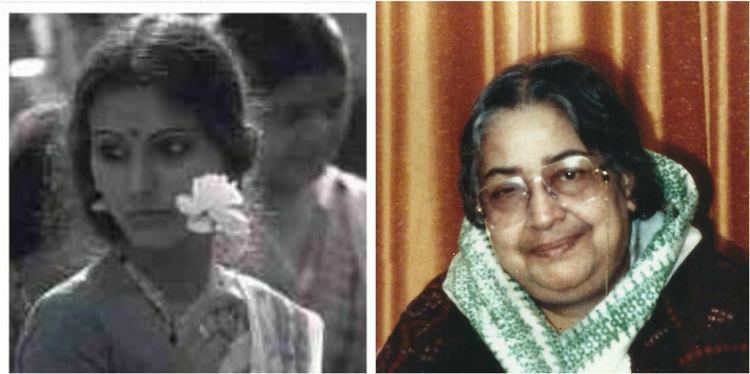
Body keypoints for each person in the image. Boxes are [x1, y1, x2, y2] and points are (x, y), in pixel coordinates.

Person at [377, 55, 748, 372]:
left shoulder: (728, 324)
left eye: (570, 175)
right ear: (480, 213)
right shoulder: (430, 338)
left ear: (627, 183)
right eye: (507, 191)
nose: (542, 215)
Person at [15, 14, 323, 373]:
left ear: (238, 152)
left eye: (172, 148)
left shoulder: (285, 325)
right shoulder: (68, 325)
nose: (138, 184)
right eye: (112, 152)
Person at [216, 14, 366, 373]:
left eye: (333, 107)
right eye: (291, 114)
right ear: (227, 112)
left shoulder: (365, 211)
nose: (319, 132)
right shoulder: (187, 227)